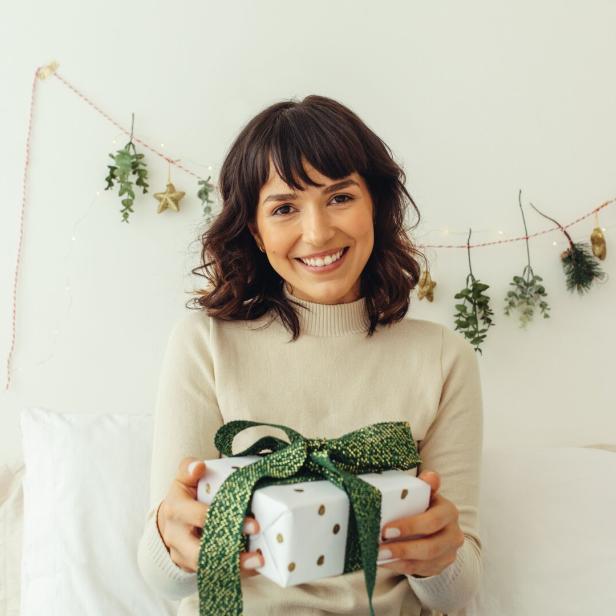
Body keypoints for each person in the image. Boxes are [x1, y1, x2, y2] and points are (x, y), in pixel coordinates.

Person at [137, 94, 483, 616]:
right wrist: (173, 544)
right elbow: (164, 582)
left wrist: (438, 558)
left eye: (340, 197)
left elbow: (458, 590)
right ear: (255, 230)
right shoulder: (204, 343)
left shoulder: (444, 357)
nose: (318, 233)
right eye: (284, 208)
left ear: (376, 204)